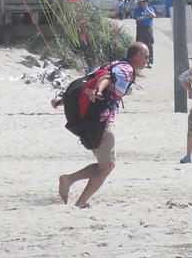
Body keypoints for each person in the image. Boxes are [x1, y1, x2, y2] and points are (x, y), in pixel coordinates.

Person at [57, 42, 149, 208]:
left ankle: (69, 181)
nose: (147, 61)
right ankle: (78, 200)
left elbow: (88, 81)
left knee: (105, 165)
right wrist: (99, 91)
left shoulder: (113, 63)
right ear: (137, 56)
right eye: (146, 57)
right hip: (100, 122)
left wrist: (62, 100)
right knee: (106, 167)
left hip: (89, 120)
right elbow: (106, 78)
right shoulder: (126, 69)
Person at [133, 0, 155, 67]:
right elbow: (138, 18)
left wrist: (147, 10)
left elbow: (153, 15)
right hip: (140, 28)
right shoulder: (137, 10)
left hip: (148, 28)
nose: (145, 3)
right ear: (140, 3)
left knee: (150, 44)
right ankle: (140, 61)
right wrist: (147, 17)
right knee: (140, 45)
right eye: (143, 2)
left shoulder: (150, 9)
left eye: (146, 1)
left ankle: (150, 60)